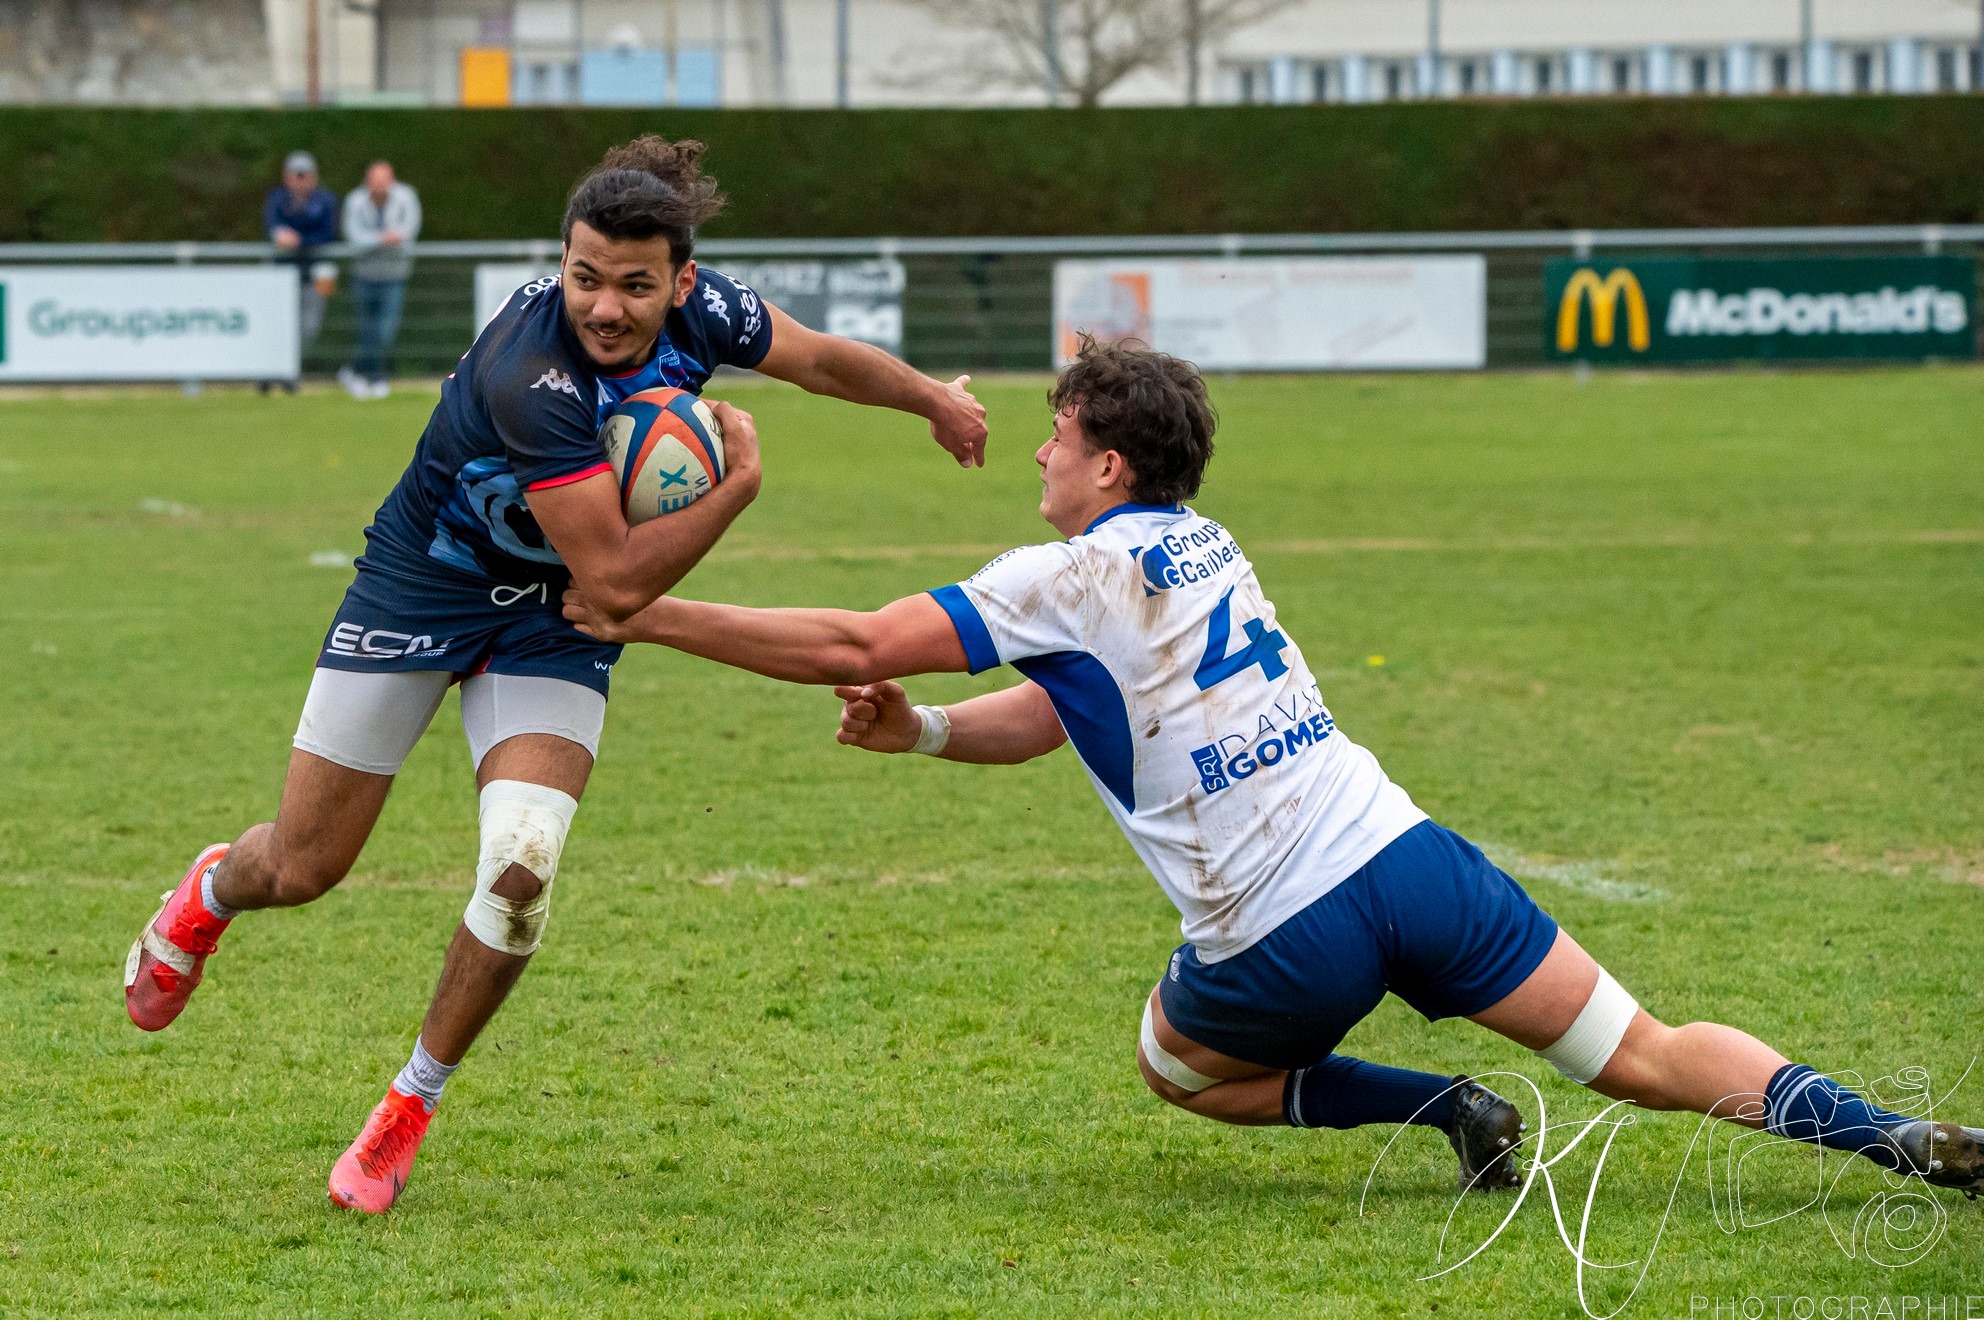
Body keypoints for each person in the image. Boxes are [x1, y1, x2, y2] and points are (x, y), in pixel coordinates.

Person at [562, 335, 1984, 1200]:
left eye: (1057, 440)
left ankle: (1439, 1106)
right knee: (1653, 1055)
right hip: (1406, 860)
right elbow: (1063, 718)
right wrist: (926, 730)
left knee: (1175, 1068)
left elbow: (851, 635)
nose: (1041, 461)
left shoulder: (1066, 576)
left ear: (1109, 466)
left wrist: (642, 608)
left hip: (1277, 935)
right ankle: (1888, 1135)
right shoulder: (1205, 544)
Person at [124, 136, 989, 1215]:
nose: (606, 308)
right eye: (585, 278)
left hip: (547, 622)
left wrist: (932, 403)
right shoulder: (530, 377)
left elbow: (816, 358)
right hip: (423, 586)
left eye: (634, 285)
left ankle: (407, 1107)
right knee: (302, 867)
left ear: (681, 282)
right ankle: (208, 891)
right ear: (561, 263)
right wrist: (739, 487)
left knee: (522, 869)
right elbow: (620, 585)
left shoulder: (706, 312)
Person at [339, 160, 423, 400]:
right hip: (363, 274)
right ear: (367, 182)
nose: (378, 187)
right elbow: (355, 239)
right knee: (366, 330)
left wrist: (378, 240)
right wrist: (383, 239)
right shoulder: (355, 201)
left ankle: (356, 372)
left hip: (395, 274)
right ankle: (373, 377)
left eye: (383, 182)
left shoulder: (406, 198)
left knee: (385, 330)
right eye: (374, 182)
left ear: (392, 181)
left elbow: (408, 234)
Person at [262, 149, 339, 393]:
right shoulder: (277, 199)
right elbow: (272, 227)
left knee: (309, 327)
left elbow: (328, 233)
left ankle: (288, 370)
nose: (301, 180)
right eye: (296, 175)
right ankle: (277, 373)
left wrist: (299, 241)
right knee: (279, 327)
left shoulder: (326, 200)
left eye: (305, 175)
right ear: (287, 177)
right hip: (282, 277)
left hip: (315, 274)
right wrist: (280, 236)